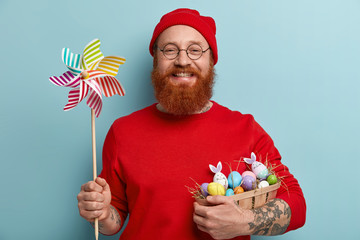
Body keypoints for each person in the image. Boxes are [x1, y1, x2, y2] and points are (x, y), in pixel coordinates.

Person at [77, 8, 306, 240]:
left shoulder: (245, 128)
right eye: (170, 50)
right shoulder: (122, 131)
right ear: (156, 60)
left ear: (211, 61)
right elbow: (113, 221)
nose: (183, 60)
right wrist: (103, 213)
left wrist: (246, 222)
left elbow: (296, 204)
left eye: (195, 50)